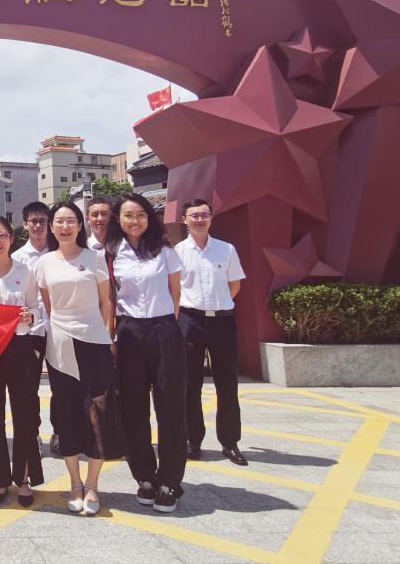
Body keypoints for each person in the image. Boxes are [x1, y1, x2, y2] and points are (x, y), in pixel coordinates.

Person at [105, 194, 187, 513]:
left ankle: (169, 481)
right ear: (119, 219)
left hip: (164, 329)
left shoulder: (165, 249)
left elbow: (175, 292)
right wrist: (112, 335)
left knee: (171, 407)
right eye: (128, 215)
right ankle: (145, 477)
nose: (134, 220)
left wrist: (166, 327)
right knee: (133, 408)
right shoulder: (111, 252)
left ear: (149, 217)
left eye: (140, 214)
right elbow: (109, 297)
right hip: (129, 333)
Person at [38, 201, 117, 517]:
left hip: (94, 343)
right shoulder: (44, 262)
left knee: (97, 412)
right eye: (59, 221)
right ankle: (75, 483)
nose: (65, 226)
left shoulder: (94, 258)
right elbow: (49, 306)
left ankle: (93, 484)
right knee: (67, 412)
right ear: (51, 227)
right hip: (60, 346)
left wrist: (106, 335)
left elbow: (105, 302)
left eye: (71, 220)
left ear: (80, 225)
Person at [0, 215, 44, 508]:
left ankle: (24, 477)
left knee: (25, 414)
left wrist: (30, 316)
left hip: (20, 346)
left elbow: (37, 307)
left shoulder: (25, 271)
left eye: (1, 235)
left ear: (11, 239)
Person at [175, 198, 248, 466]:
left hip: (222, 321)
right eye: (194, 215)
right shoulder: (177, 252)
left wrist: (218, 305)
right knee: (189, 385)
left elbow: (235, 285)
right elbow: (175, 290)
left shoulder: (226, 249)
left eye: (204, 215)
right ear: (184, 220)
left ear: (211, 218)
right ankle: (193, 441)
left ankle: (230, 442)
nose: (199, 219)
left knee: (227, 384)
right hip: (189, 321)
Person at [13, 200, 59, 454]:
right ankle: (33, 435)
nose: (38, 225)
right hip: (30, 332)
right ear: (25, 224)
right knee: (28, 388)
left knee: (61, 385)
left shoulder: (60, 252)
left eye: (43, 221)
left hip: (59, 328)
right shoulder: (17, 258)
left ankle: (60, 432)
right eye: (34, 221)